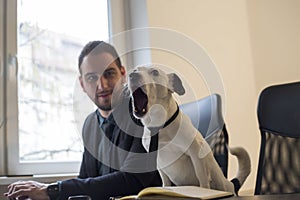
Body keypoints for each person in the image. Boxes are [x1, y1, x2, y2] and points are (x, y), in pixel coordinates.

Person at [4, 41, 162, 200]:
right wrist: (41, 192)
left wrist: (52, 190)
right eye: (92, 77)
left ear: (123, 74)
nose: (102, 85)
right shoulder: (91, 123)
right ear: (82, 84)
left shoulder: (145, 113)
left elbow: (133, 180)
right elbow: (86, 180)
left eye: (109, 73)